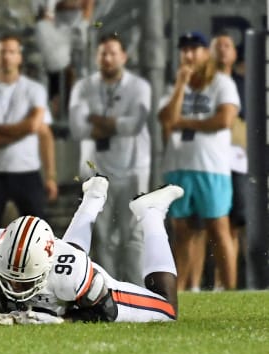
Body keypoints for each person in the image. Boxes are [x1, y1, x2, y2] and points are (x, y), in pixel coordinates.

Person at [0, 175, 182, 324]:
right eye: (9, 278)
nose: (14, 288)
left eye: (23, 282)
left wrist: (60, 322)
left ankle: (150, 212)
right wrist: (1, 319)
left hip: (81, 287)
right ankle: (94, 196)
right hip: (62, 267)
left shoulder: (73, 274)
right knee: (69, 258)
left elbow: (103, 313)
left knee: (168, 310)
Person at [158, 31, 240, 291]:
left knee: (218, 229)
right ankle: (180, 293)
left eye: (195, 49)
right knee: (181, 232)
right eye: (184, 49)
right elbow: (166, 119)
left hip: (211, 167)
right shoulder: (174, 87)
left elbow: (224, 120)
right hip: (177, 166)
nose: (189, 54)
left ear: (206, 53)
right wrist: (181, 85)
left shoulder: (221, 83)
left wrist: (184, 122)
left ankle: (230, 291)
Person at [68, 32, 151, 285]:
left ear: (124, 56)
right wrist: (115, 124)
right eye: (103, 53)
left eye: (113, 53)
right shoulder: (83, 87)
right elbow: (77, 128)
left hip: (133, 169)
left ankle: (137, 291)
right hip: (95, 172)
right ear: (96, 56)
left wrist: (97, 120)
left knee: (133, 236)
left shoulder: (139, 86)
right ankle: (106, 291)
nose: (108, 58)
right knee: (101, 236)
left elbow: (134, 125)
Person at [0, 34, 58, 231]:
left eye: (11, 52)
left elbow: (38, 129)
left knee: (38, 234)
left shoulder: (35, 90)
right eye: (2, 52)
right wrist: (20, 131)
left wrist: (50, 175)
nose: (6, 57)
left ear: (19, 57)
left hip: (26, 171)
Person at [211, 32, 247, 289]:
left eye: (227, 46)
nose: (223, 50)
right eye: (218, 46)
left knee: (234, 224)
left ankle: (227, 285)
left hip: (238, 162)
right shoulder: (205, 84)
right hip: (210, 162)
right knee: (208, 226)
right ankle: (211, 284)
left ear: (234, 53)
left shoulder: (245, 84)